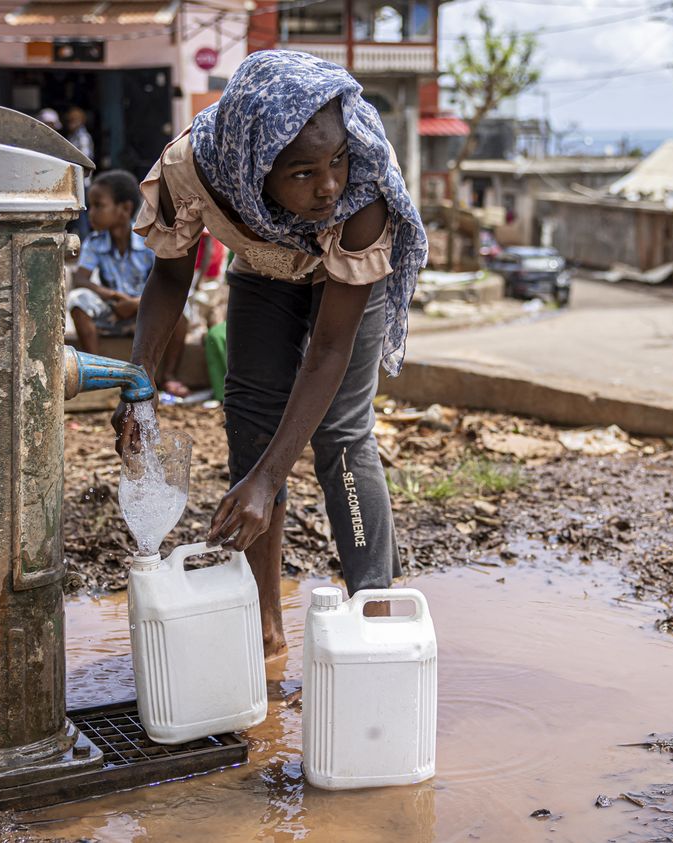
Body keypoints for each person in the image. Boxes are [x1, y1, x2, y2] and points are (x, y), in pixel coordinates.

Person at [117, 51, 427, 656]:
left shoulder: (360, 195)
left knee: (340, 433)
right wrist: (140, 380)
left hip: (343, 274)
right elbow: (170, 278)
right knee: (250, 421)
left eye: (334, 160)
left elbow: (331, 346)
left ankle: (378, 619)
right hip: (264, 266)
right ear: (255, 164)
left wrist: (270, 480)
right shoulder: (197, 168)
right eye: (303, 172)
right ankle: (264, 627)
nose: (328, 184)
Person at [69, 170, 190, 397]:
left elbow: (168, 283)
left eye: (98, 205)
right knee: (78, 301)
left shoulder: (148, 241)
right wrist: (114, 297)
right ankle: (97, 375)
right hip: (114, 311)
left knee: (183, 309)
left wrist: (135, 304)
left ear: (124, 209)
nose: (91, 213)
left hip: (146, 313)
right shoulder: (95, 243)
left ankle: (169, 376)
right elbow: (80, 279)